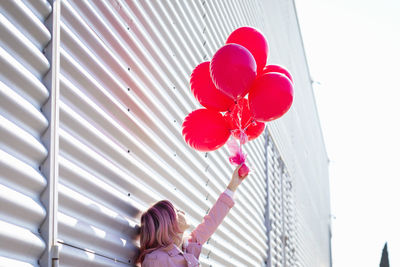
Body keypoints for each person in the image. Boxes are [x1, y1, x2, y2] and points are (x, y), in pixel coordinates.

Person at [136, 165, 247, 266]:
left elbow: (212, 220)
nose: (182, 212)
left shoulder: (187, 246)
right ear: (168, 223)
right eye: (177, 211)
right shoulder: (155, 259)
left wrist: (233, 186)